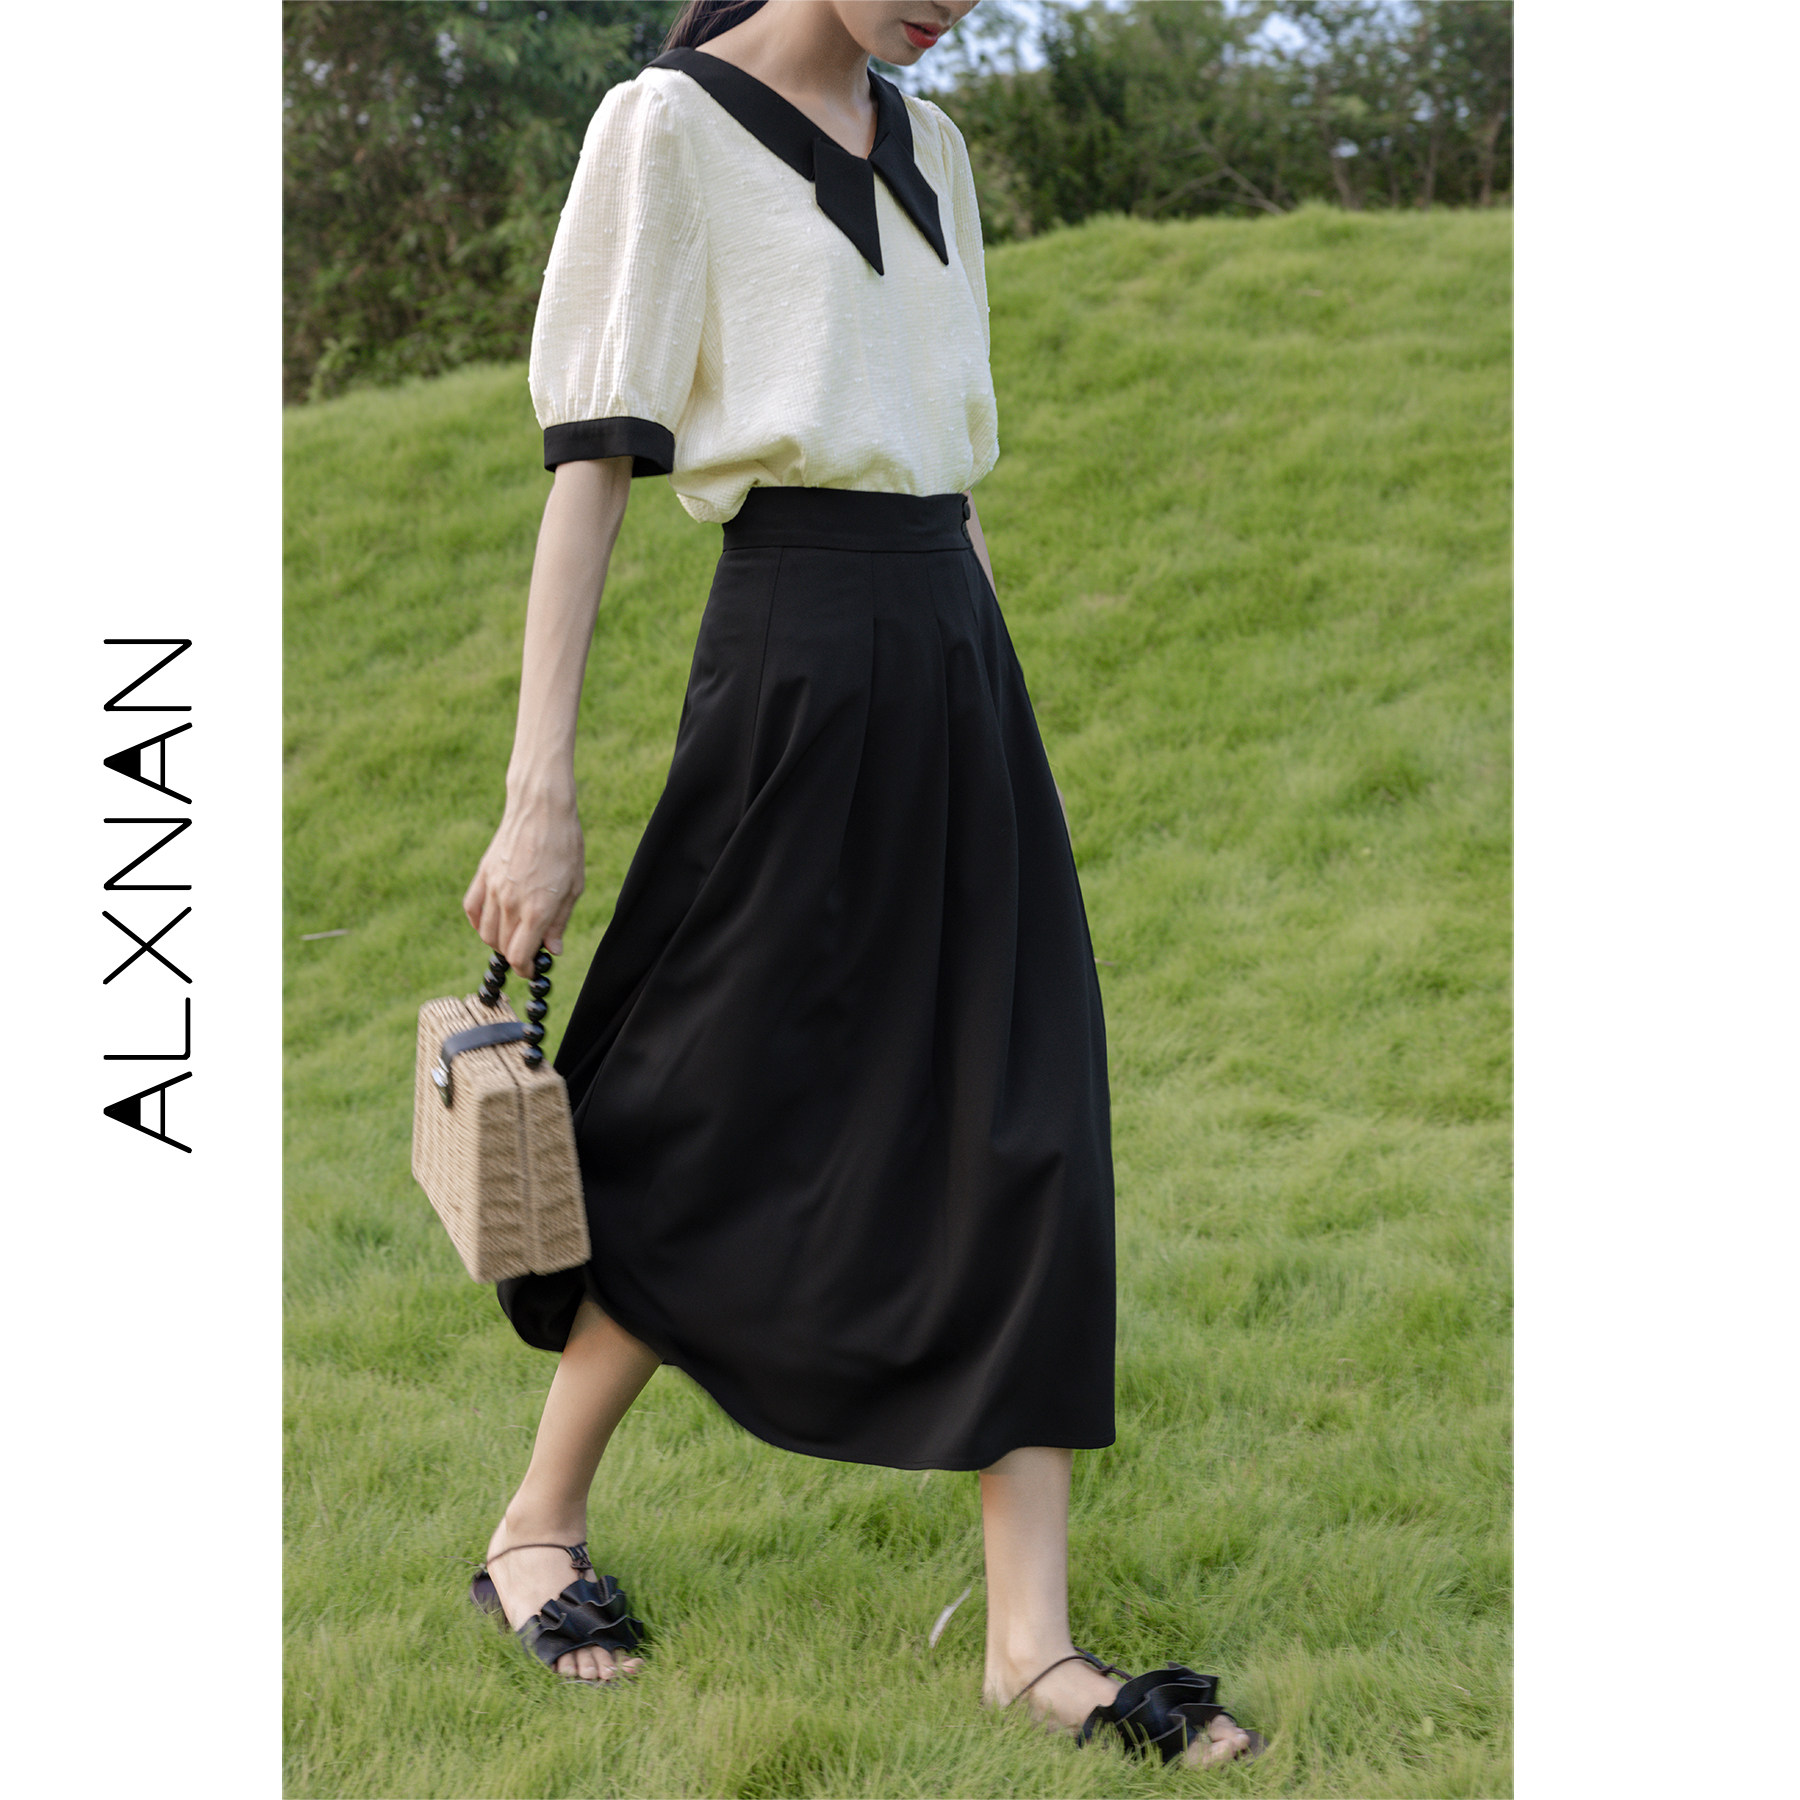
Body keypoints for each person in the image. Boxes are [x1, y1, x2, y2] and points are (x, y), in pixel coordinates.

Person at [459, 0, 1261, 1770]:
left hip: (954, 657)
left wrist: (996, 702)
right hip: (798, 653)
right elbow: (593, 467)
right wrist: (539, 793)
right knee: (706, 1101)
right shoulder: (665, 128)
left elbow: (945, 465)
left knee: (1026, 1116)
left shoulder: (936, 147)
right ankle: (534, 1527)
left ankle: (1031, 1647)